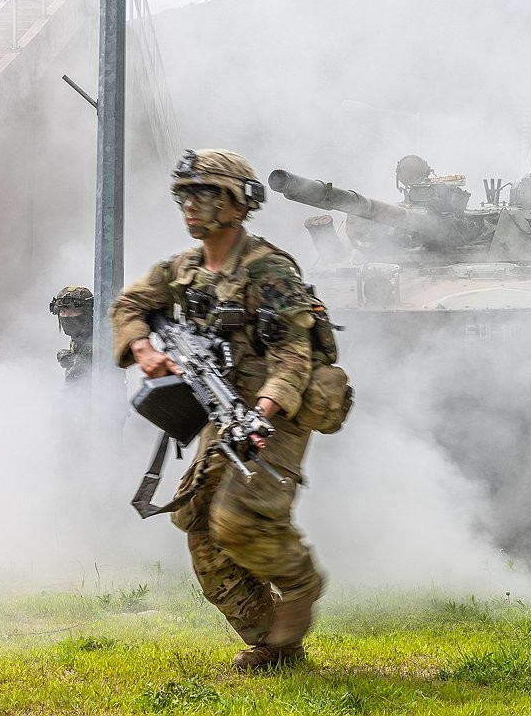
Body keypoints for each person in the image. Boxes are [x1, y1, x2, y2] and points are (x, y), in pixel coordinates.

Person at [110, 149, 325, 671]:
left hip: (274, 414)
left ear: (238, 203)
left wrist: (264, 411)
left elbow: (294, 354)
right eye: (184, 195)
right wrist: (145, 349)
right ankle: (274, 646)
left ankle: (300, 582)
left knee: (234, 520)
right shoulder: (182, 269)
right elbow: (130, 306)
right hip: (220, 411)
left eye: (205, 194)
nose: (191, 206)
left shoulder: (268, 269)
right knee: (198, 528)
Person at [49, 286, 94, 383]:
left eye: (73, 311)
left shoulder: (100, 337)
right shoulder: (79, 336)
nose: (67, 316)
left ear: (87, 312)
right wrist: (71, 357)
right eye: (63, 311)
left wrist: (76, 360)